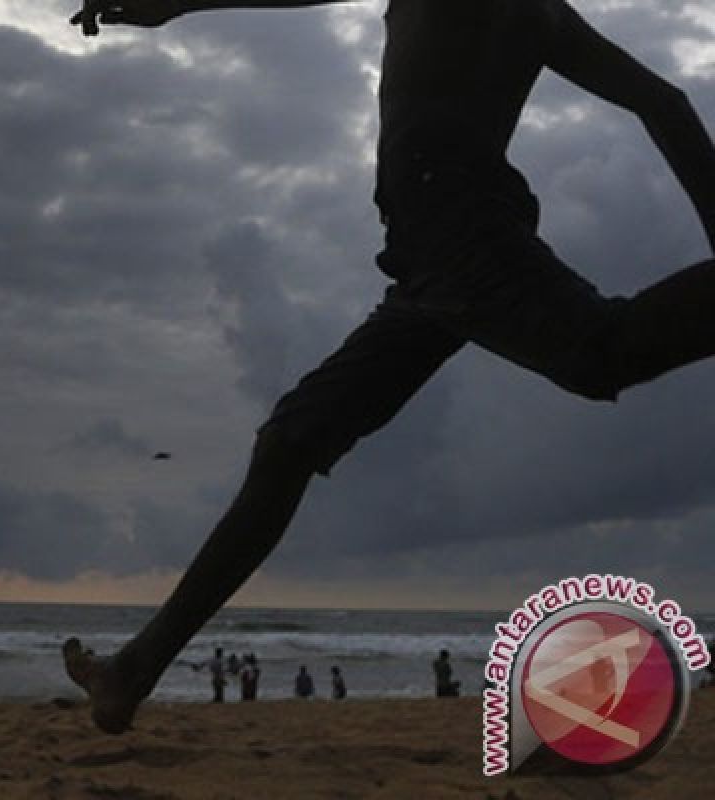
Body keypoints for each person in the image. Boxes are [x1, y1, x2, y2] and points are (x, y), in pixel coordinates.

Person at [63, 0, 715, 735]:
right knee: (290, 444)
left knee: (602, 351)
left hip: (467, 244)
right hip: (426, 272)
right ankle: (131, 673)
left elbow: (665, 102)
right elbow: (667, 101)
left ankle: (132, 672)